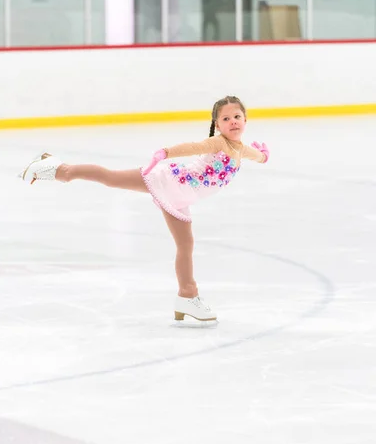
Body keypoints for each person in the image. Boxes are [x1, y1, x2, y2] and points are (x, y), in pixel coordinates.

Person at [19, 96, 269, 323]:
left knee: (186, 245)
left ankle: (187, 295)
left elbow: (256, 156)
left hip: (181, 198)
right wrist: (166, 152)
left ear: (245, 120)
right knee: (111, 178)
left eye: (237, 117)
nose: (233, 122)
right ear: (217, 123)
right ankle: (58, 169)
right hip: (169, 182)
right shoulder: (218, 143)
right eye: (226, 118)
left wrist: (264, 156)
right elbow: (193, 147)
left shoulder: (240, 149)